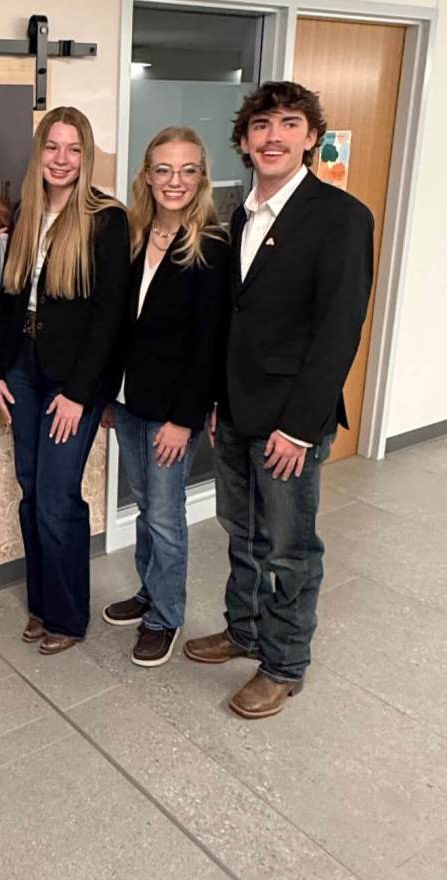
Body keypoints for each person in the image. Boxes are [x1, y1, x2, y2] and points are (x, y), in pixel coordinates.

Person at [183, 82, 374, 719]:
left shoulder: (340, 217)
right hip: (236, 409)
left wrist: (298, 427)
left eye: (289, 124)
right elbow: (232, 321)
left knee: (290, 548)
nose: (273, 136)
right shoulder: (240, 214)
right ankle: (244, 629)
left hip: (290, 420)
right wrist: (214, 400)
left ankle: (284, 662)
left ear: (311, 137)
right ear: (243, 140)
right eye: (261, 125)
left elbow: (339, 330)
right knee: (241, 532)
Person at [0, 106, 129, 654]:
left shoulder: (106, 219)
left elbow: (110, 319)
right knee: (30, 489)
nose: (62, 159)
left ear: (85, 155)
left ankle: (68, 618)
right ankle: (42, 604)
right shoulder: (26, 212)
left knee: (56, 499)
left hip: (72, 382)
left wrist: (78, 394)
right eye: (53, 147)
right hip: (23, 369)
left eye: (73, 149)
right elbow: (8, 297)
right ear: (39, 152)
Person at [100, 127, 229, 667]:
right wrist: (108, 393)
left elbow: (208, 344)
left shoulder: (213, 246)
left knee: (166, 515)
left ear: (201, 177)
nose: (174, 181)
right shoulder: (134, 233)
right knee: (147, 506)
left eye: (187, 170)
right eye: (163, 170)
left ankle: (167, 615)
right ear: (147, 176)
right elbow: (116, 325)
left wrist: (184, 420)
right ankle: (150, 590)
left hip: (172, 410)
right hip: (129, 401)